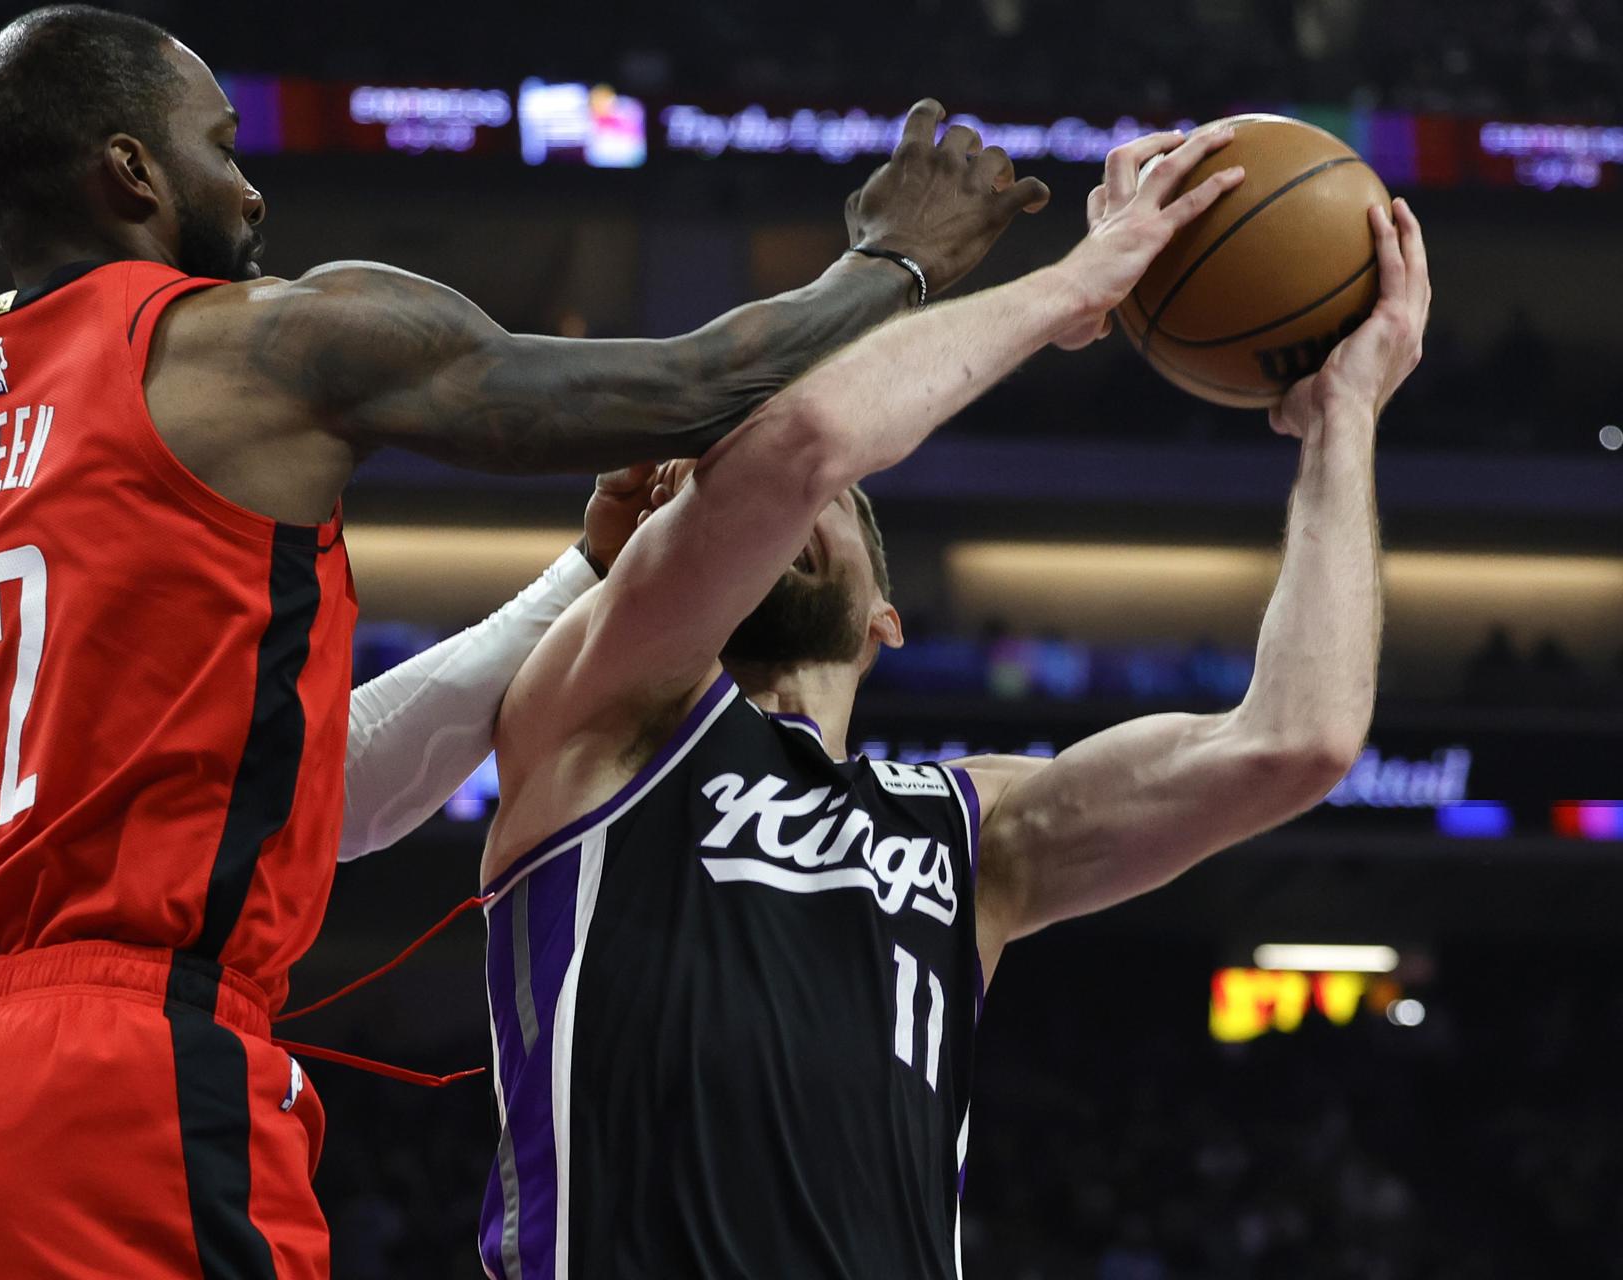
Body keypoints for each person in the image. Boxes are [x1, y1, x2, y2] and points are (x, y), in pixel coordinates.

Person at [0, 3, 1047, 1276]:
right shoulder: (255, 346)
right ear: (132, 172)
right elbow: (688, 386)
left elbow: (328, 780)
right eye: (219, 144)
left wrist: (580, 578)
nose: (251, 189)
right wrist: (891, 264)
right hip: (119, 1078)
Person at [477, 123, 1431, 1278]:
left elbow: (1298, 741)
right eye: (725, 496)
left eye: (836, 512)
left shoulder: (974, 828)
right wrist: (1076, 289)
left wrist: (1344, 421)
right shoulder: (603, 715)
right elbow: (806, 443)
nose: (782, 507)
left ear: (888, 614)